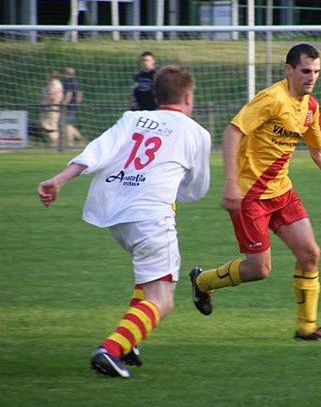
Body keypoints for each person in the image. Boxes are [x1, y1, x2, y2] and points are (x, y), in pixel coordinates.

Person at [37, 65, 211, 378]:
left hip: (117, 216)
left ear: (157, 97)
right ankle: (111, 350)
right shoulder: (196, 133)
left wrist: (59, 180)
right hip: (152, 217)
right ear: (188, 97)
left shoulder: (133, 118)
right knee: (163, 299)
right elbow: (197, 189)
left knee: (148, 280)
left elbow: (97, 150)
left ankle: (129, 343)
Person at [189, 43, 321, 342]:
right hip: (250, 196)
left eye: (316, 72)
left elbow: (319, 152)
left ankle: (306, 328)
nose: (311, 77)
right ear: (289, 70)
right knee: (259, 270)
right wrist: (231, 182)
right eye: (305, 71)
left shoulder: (310, 107)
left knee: (310, 253)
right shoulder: (271, 99)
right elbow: (233, 131)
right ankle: (203, 281)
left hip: (282, 191)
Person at [40, 69, 64, 147]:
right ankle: (54, 141)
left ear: (51, 76)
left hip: (52, 106)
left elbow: (52, 96)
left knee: (50, 124)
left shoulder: (54, 84)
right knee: (47, 123)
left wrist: (47, 101)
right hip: (50, 106)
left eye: (47, 75)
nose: (46, 76)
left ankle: (55, 141)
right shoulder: (55, 83)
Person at [63, 67, 84, 147]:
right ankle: (80, 138)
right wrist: (77, 102)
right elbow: (80, 94)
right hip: (74, 105)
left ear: (66, 73)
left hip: (69, 105)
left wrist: (65, 103)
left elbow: (69, 94)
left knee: (68, 124)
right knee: (70, 124)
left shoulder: (69, 82)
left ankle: (70, 143)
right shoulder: (77, 82)